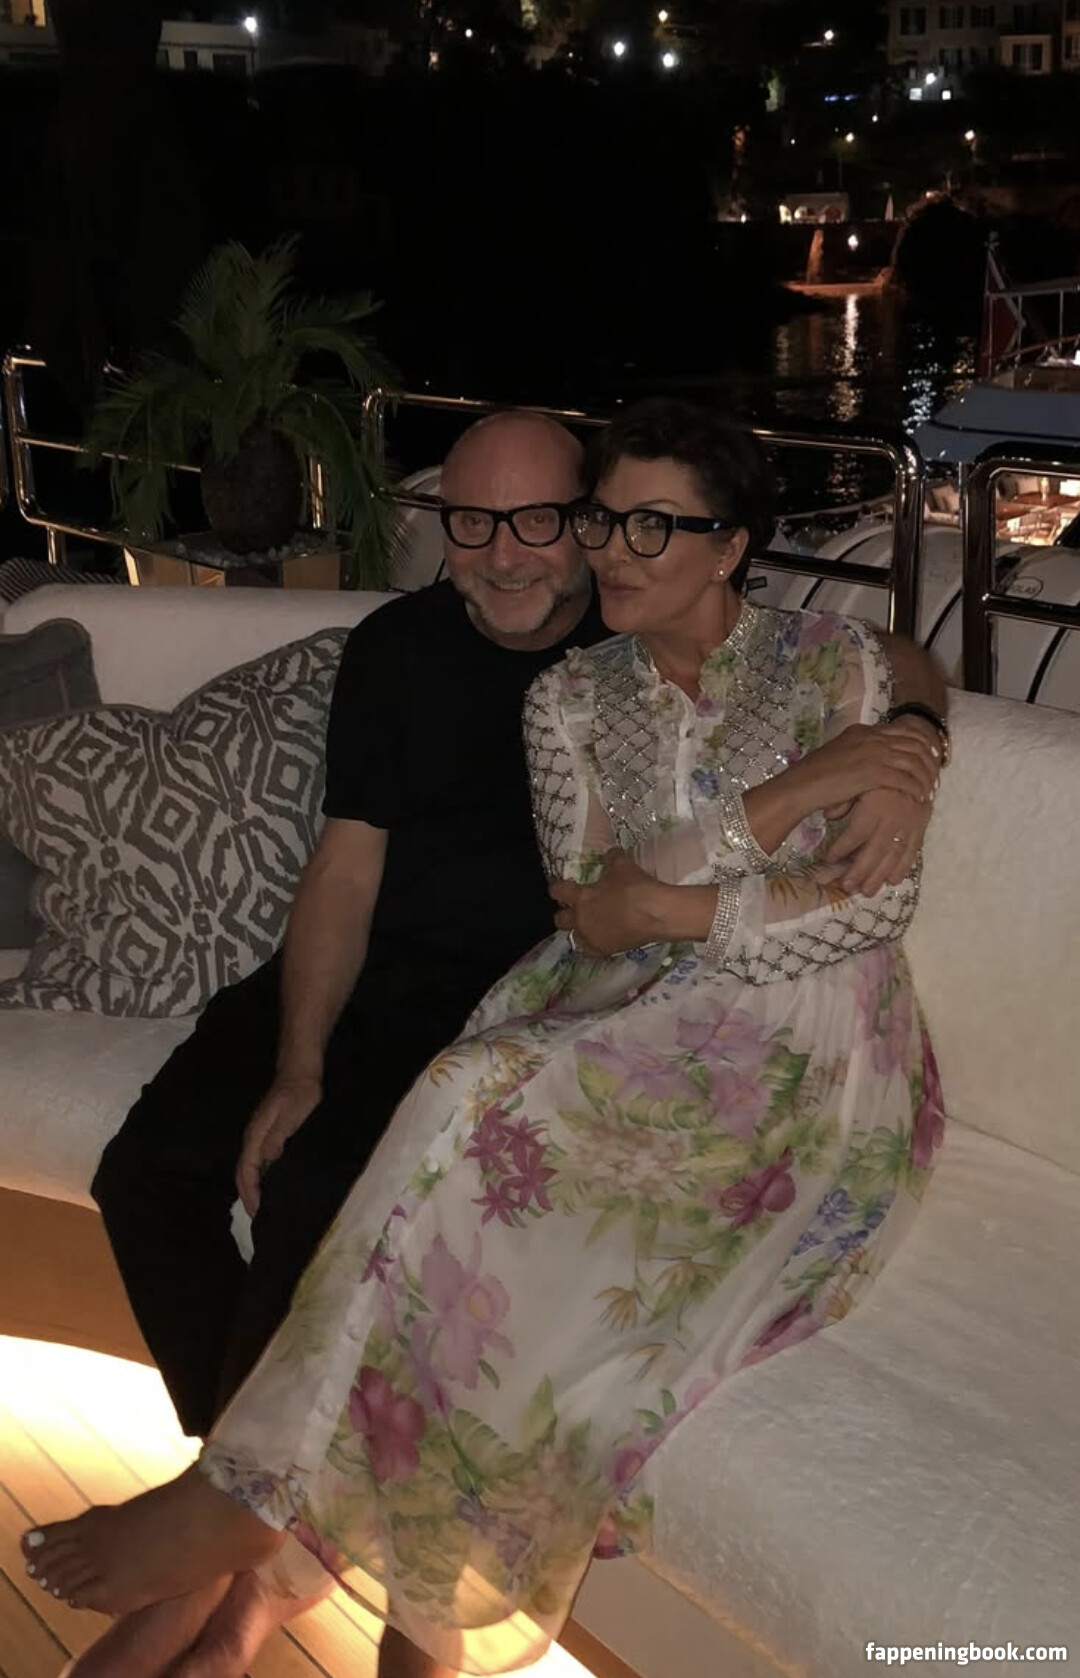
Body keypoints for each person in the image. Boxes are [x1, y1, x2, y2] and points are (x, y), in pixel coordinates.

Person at [25, 399, 949, 1678]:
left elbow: (882, 694)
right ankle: (242, 1500)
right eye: (474, 521)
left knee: (335, 1188)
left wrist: (906, 737)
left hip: (607, 1006)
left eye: (555, 520)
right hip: (465, 982)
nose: (522, 551)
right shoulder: (489, 668)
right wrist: (300, 1059)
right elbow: (420, 873)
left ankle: (256, 1536)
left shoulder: (752, 643)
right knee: (153, 1172)